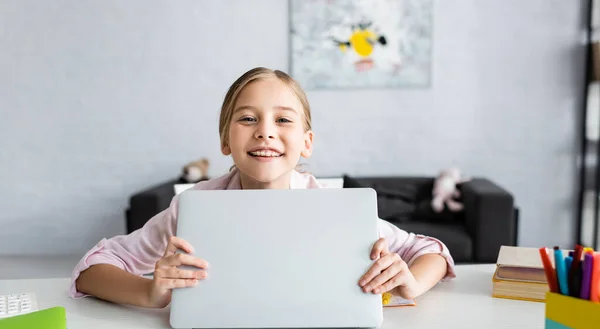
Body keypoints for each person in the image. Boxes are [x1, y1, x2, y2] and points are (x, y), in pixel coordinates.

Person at [71, 67, 456, 309]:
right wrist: (149, 293)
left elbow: (431, 250)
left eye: (283, 120)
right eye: (248, 118)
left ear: (306, 142)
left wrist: (411, 282)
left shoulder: (333, 206)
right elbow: (91, 268)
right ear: (226, 141)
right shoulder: (192, 207)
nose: (265, 131)